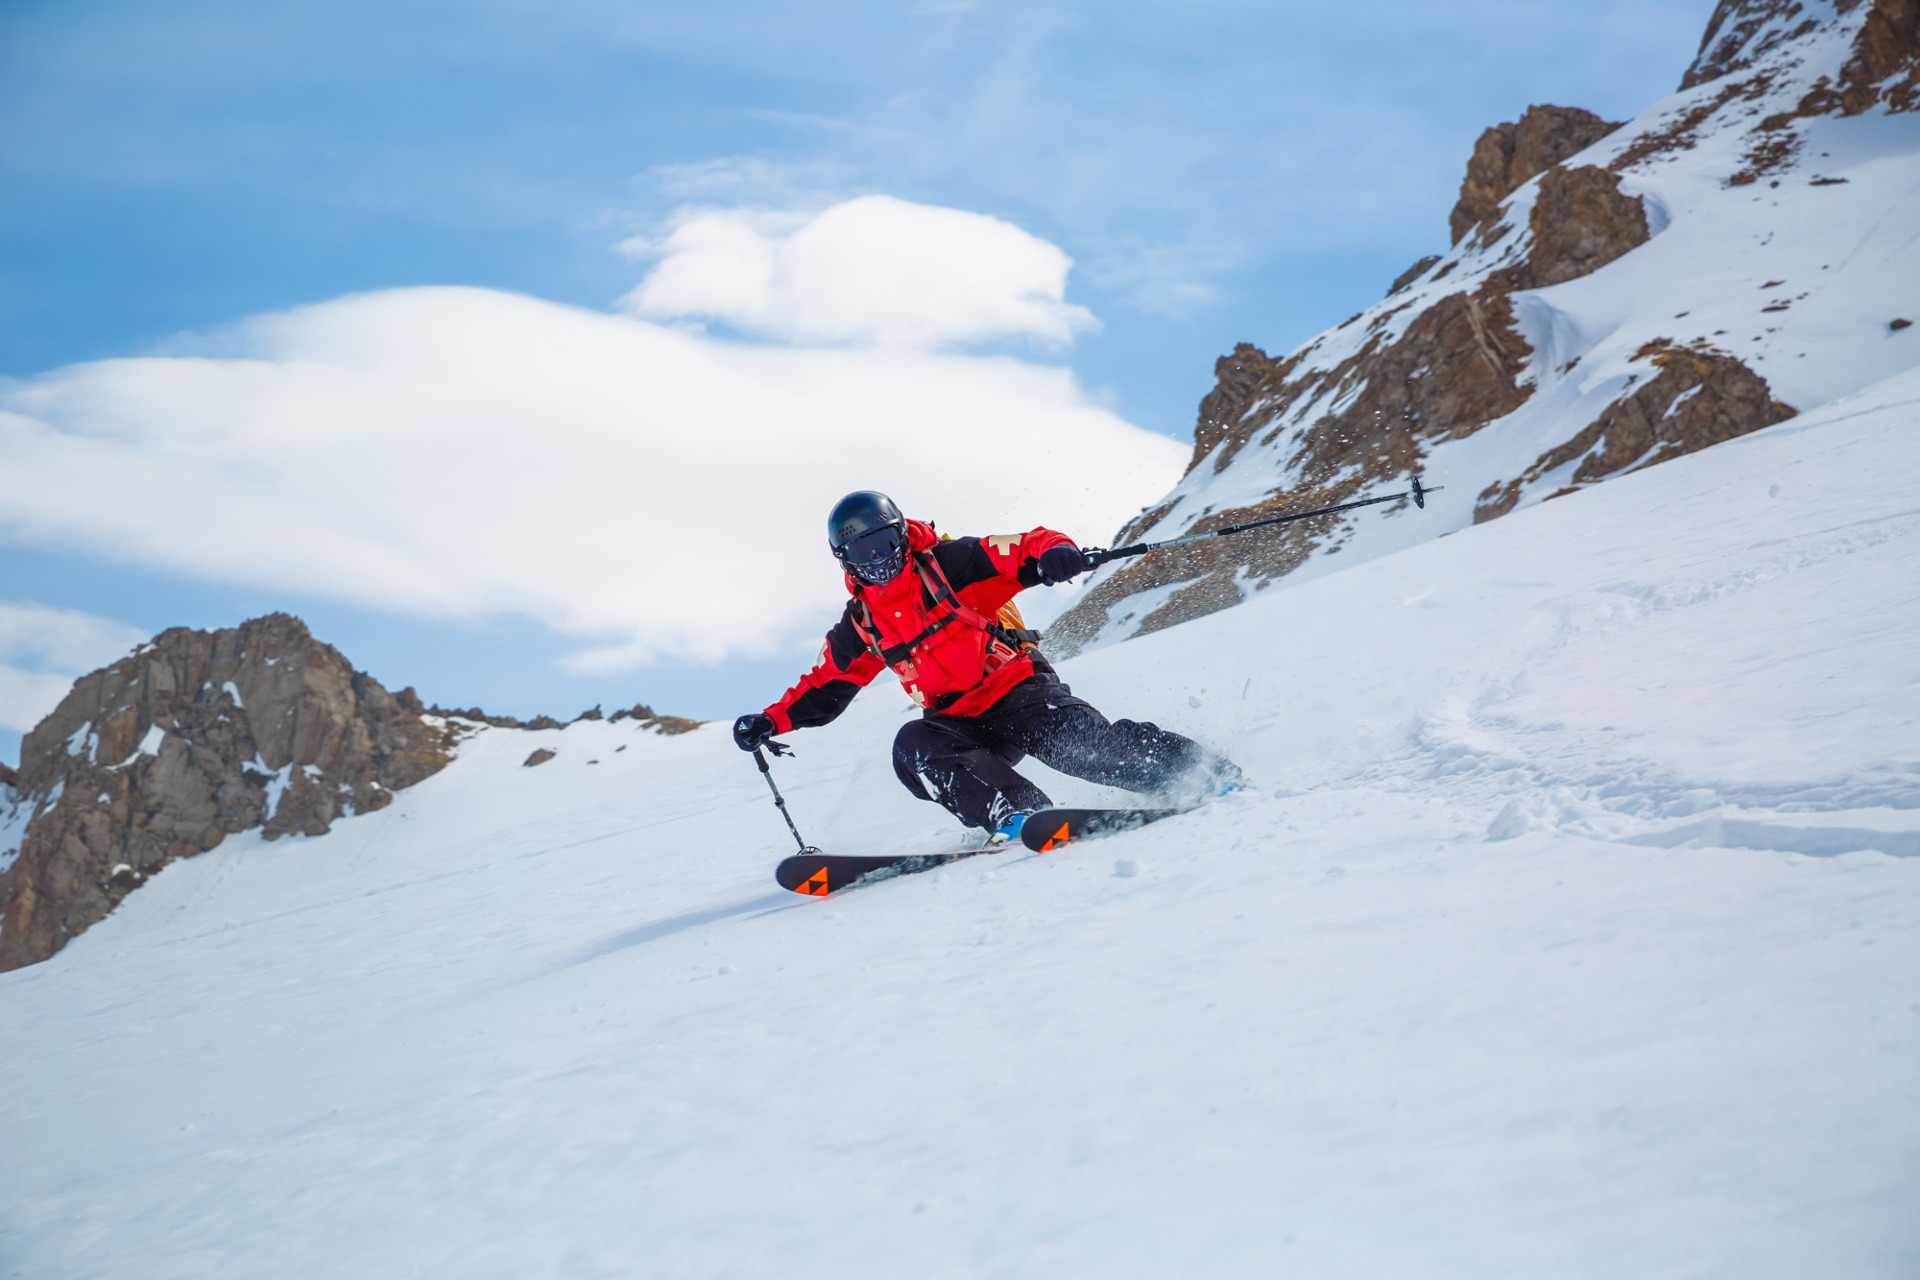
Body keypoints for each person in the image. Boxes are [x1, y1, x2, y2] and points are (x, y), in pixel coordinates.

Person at [732, 491, 1241, 844]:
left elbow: (1024, 546)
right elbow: (823, 686)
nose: (879, 560)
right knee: (913, 746)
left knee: (1087, 753)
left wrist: (1056, 554)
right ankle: (1018, 812)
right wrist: (770, 721)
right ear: (845, 561)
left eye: (885, 544)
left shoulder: (952, 564)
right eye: (862, 553)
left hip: (1018, 690)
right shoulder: (862, 623)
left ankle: (1201, 772)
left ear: (901, 535)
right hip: (961, 722)